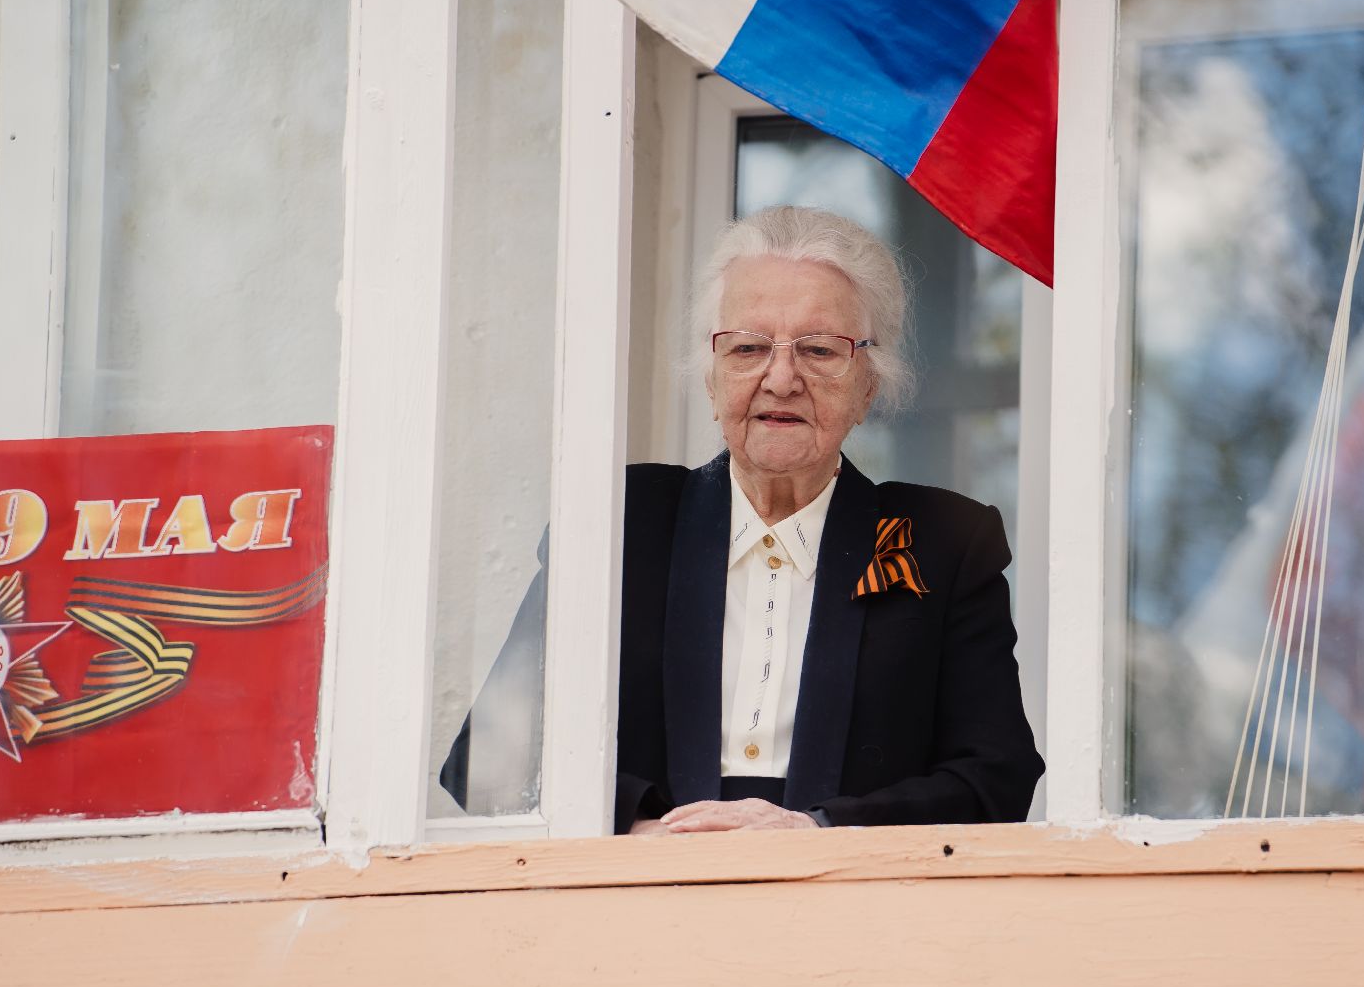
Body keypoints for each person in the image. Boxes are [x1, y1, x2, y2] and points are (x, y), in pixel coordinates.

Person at [443, 206, 1043, 833]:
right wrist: (645, 831)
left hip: (859, 906)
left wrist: (816, 831)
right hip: (636, 902)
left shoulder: (945, 541)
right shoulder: (618, 522)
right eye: (749, 347)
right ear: (711, 378)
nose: (781, 379)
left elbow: (995, 778)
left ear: (869, 385)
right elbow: (486, 760)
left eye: (819, 349)